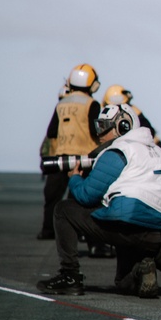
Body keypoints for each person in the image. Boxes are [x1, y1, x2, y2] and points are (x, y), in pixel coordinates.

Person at [36, 104, 161, 298]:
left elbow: (87, 196)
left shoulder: (119, 151)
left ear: (123, 127)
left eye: (104, 126)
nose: (99, 132)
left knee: (63, 210)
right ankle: (141, 271)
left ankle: (69, 276)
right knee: (123, 284)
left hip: (124, 225)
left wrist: (75, 178)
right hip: (155, 235)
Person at [39, 64, 102, 241]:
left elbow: (52, 131)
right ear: (92, 84)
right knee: (80, 198)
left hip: (61, 157)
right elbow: (96, 131)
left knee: (53, 197)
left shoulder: (62, 103)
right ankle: (81, 233)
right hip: (84, 158)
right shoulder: (92, 104)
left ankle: (48, 231)